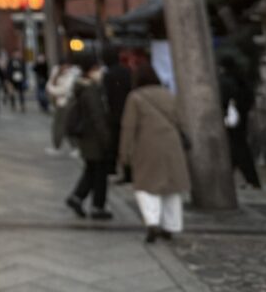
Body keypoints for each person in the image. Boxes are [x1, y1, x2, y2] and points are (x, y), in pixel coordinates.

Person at [119, 64, 191, 243]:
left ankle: (152, 221)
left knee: (145, 185)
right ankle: (171, 225)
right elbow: (181, 120)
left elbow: (129, 127)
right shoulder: (168, 94)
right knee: (172, 188)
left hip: (147, 145)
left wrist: (124, 153)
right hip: (172, 144)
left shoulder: (135, 97)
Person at [65, 54, 113, 220]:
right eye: (97, 68)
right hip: (94, 138)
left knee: (92, 170)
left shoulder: (81, 87)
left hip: (86, 137)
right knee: (99, 172)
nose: (100, 71)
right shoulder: (91, 90)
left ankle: (77, 197)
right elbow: (97, 117)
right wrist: (106, 139)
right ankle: (97, 206)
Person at [218, 54, 261, 188]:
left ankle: (249, 179)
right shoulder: (241, 79)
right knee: (238, 147)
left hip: (231, 118)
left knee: (237, 148)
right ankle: (249, 179)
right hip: (241, 117)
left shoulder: (226, 81)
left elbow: (224, 99)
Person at [102, 45, 132, 178]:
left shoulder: (108, 75)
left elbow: (106, 96)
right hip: (127, 110)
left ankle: (112, 168)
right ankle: (128, 171)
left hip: (114, 113)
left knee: (114, 142)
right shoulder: (127, 72)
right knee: (127, 142)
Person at [46, 59, 80, 154]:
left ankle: (75, 147)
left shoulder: (72, 74)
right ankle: (57, 146)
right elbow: (48, 85)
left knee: (66, 126)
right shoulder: (56, 72)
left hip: (67, 103)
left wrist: (51, 89)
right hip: (59, 103)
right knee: (58, 125)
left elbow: (65, 90)